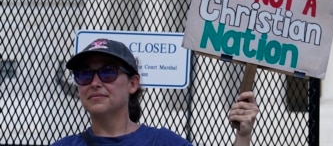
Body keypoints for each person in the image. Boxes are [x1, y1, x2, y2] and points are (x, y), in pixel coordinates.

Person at [52, 38, 258, 146]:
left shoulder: (164, 142)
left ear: (133, 83)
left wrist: (243, 137)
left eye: (108, 72)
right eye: (84, 74)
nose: (95, 82)